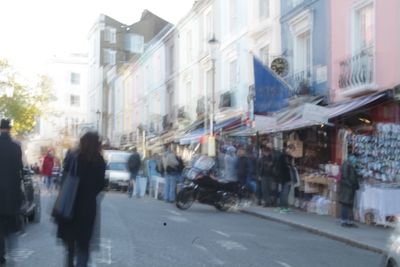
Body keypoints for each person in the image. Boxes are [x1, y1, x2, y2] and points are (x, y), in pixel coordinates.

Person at [56, 132, 106, 267]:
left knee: (70, 247)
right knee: (84, 246)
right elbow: (100, 185)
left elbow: (64, 179)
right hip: (87, 208)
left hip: (70, 206)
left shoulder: (73, 157)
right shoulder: (99, 161)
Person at [0, 119, 23, 265]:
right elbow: (20, 168)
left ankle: (1, 254)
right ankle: (10, 253)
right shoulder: (16, 147)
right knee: (11, 226)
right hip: (12, 194)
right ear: (9, 129)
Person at [338, 155, 360, 227]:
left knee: (350, 205)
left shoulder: (350, 165)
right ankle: (344, 220)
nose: (355, 161)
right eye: (354, 159)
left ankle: (350, 221)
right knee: (345, 204)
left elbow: (353, 177)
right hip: (346, 188)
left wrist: (355, 185)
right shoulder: (346, 165)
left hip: (350, 188)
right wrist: (350, 184)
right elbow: (345, 176)